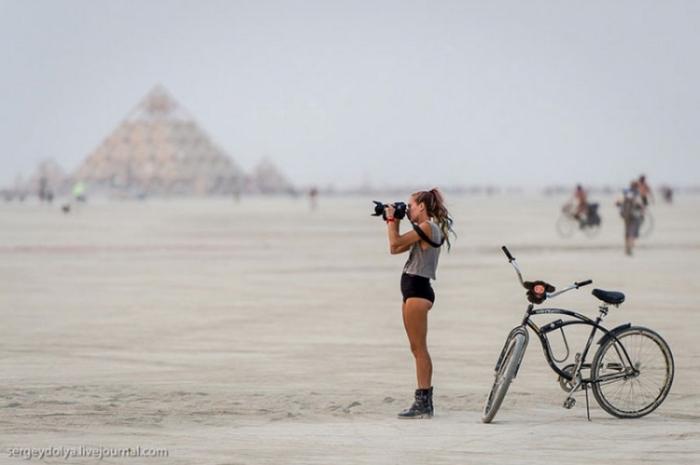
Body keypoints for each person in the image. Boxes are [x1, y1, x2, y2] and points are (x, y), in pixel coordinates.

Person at [384, 188, 454, 419]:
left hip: (418, 291)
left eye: (411, 205)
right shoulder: (425, 230)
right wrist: (392, 220)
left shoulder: (427, 227)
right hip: (414, 291)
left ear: (422, 206)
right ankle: (423, 401)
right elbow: (395, 248)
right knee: (416, 348)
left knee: (420, 349)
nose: (409, 209)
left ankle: (423, 402)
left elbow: (394, 243)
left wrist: (392, 219)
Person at [616, 181, 645, 256]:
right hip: (633, 216)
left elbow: (618, 202)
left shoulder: (625, 192)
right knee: (632, 233)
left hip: (625, 215)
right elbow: (639, 203)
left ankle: (626, 248)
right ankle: (629, 248)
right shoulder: (635, 193)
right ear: (636, 186)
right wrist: (642, 210)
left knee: (627, 232)